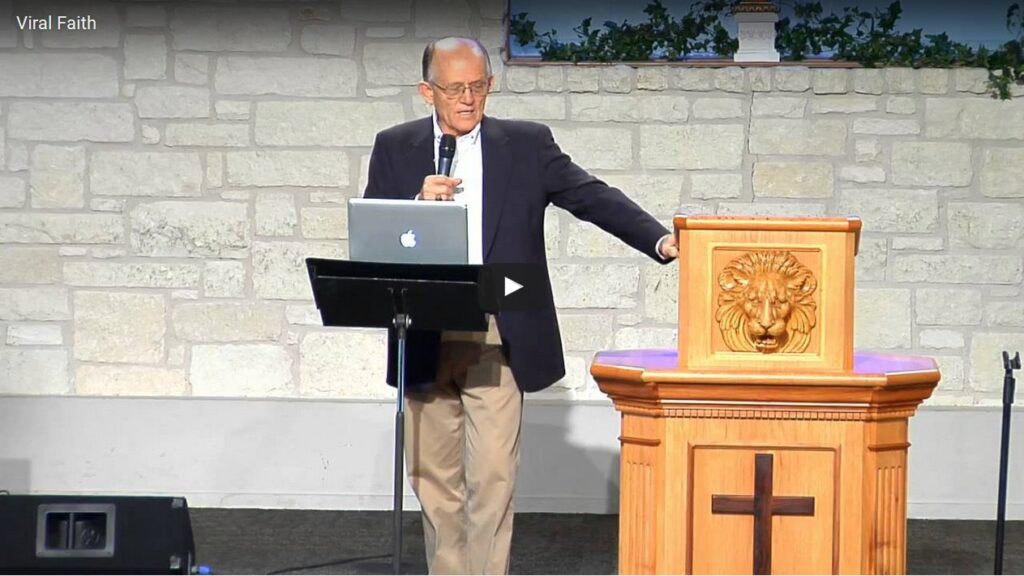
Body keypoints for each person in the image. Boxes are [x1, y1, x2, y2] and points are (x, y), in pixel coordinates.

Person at [363, 36, 678, 575]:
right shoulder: (395, 145)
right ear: (426, 92)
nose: (468, 99)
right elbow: (371, 233)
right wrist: (416, 205)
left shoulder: (527, 144)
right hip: (424, 324)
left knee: (492, 477)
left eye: (478, 86)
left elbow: (590, 195)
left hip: (499, 316)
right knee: (433, 478)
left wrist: (659, 240)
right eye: (455, 88)